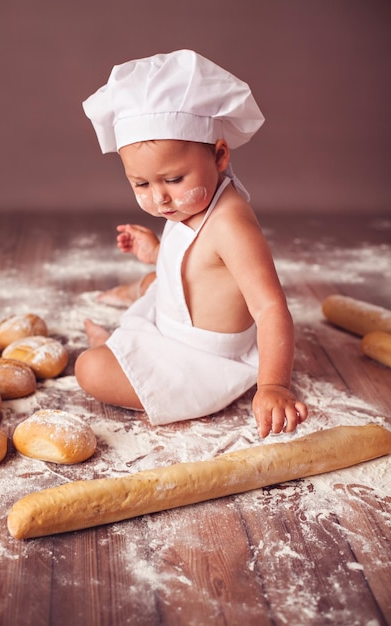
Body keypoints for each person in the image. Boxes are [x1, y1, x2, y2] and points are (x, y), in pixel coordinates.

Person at [76, 49, 308, 437]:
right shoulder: (190, 203)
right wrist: (155, 252)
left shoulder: (231, 224)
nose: (161, 198)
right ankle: (130, 316)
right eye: (142, 184)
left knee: (90, 368)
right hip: (174, 322)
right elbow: (196, 263)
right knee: (156, 285)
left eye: (173, 179)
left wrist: (273, 386)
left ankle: (117, 348)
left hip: (203, 359)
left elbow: (270, 308)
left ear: (218, 156)